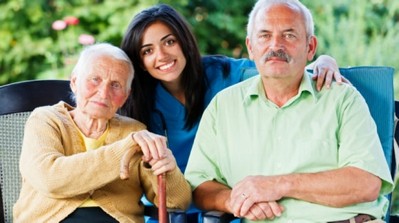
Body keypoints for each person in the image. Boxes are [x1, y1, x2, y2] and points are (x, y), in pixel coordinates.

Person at [184, 0, 393, 222]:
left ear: (310, 47)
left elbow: (366, 184)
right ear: (251, 47)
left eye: (289, 35)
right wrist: (234, 200)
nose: (276, 45)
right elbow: (199, 185)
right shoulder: (223, 106)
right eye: (264, 35)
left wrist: (279, 184)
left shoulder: (342, 98)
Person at [120, 3, 345, 173]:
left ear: (184, 42)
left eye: (169, 42)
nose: (162, 56)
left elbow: (278, 66)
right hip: (165, 203)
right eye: (148, 50)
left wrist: (324, 61)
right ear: (140, 61)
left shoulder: (222, 73)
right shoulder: (136, 99)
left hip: (223, 198)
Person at [13, 43, 191, 223]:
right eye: (95, 79)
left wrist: (169, 171)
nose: (104, 93)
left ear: (125, 96)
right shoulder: (45, 120)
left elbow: (177, 203)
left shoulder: (135, 131)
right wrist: (125, 149)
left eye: (115, 85)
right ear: (74, 82)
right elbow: (49, 179)